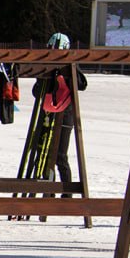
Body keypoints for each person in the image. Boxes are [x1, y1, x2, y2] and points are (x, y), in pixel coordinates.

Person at [33, 32, 87, 190]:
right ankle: (47, 188)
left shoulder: (70, 67)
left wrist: (68, 72)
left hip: (65, 116)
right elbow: (37, 92)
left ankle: (66, 191)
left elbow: (82, 84)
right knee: (42, 152)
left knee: (60, 156)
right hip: (47, 114)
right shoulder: (46, 66)